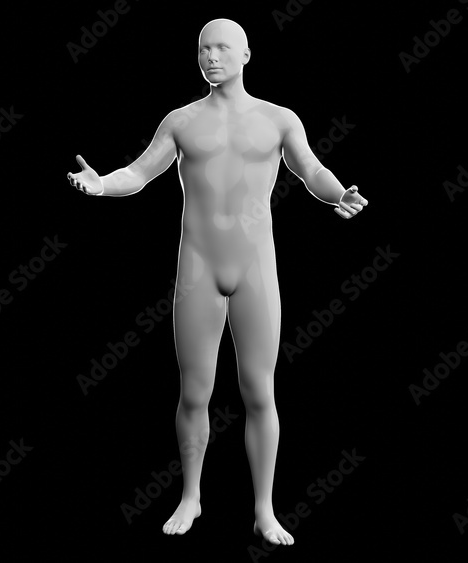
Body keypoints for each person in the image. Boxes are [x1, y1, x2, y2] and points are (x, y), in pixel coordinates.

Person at [67, 18, 367, 546]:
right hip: (197, 270)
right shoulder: (182, 121)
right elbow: (139, 173)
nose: (211, 57)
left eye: (223, 48)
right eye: (204, 48)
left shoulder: (279, 119)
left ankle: (264, 510)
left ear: (246, 54)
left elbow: (311, 170)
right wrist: (101, 185)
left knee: (260, 393)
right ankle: (191, 496)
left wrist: (339, 192)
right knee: (193, 393)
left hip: (256, 270)